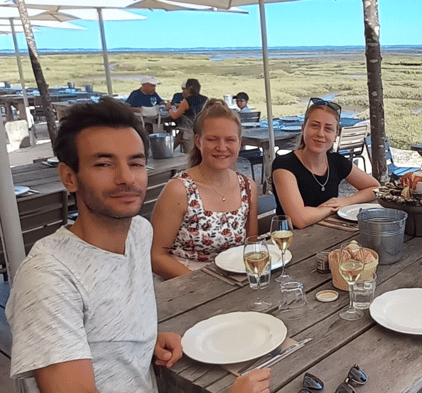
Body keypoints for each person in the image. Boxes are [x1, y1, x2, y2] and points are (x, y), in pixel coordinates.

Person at [6, 97, 270, 393]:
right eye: (104, 164)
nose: (125, 178)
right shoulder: (49, 278)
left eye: (135, 163)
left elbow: (106, 329)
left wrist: (145, 337)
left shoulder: (139, 233)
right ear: (69, 177)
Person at [151, 99, 259, 279]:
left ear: (239, 143)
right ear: (198, 142)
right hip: (185, 286)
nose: (222, 147)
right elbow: (156, 256)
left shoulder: (248, 187)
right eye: (212, 139)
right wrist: (204, 284)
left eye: (230, 140)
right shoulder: (179, 189)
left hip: (233, 283)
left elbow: (251, 245)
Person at [271, 97, 379, 228]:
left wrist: (345, 201)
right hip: (293, 241)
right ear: (303, 128)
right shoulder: (284, 165)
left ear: (335, 135)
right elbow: (299, 219)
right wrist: (331, 207)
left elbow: (375, 188)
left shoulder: (336, 161)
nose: (320, 134)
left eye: (328, 129)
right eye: (315, 126)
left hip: (327, 235)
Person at [165, 78, 208, 152]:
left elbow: (175, 115)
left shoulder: (187, 100)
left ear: (188, 89)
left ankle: (168, 151)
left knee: (188, 154)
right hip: (202, 129)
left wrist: (169, 109)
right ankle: (169, 150)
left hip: (189, 131)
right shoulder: (205, 99)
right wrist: (179, 105)